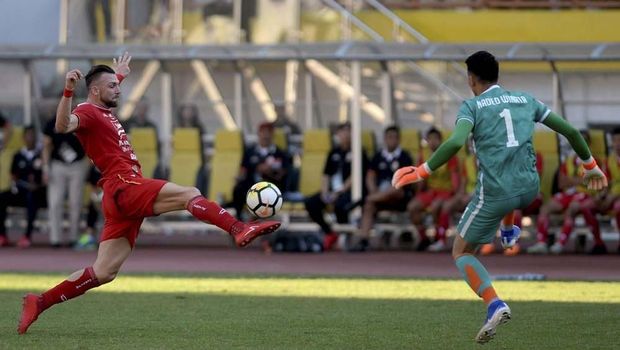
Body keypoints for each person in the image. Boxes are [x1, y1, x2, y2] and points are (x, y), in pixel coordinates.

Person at [17, 52, 280, 335]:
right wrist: (69, 88)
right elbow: (62, 126)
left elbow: (101, 92)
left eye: (117, 86)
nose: (118, 89)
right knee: (189, 193)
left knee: (104, 272)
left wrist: (118, 75)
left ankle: (39, 302)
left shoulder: (100, 109)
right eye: (112, 86)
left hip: (118, 195)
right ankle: (238, 228)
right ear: (94, 91)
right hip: (123, 184)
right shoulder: (87, 110)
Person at [391, 51, 607, 344]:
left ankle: (494, 303)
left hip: (495, 195)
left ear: (471, 79)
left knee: (461, 252)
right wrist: (590, 166)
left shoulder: (473, 106)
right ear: (497, 75)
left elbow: (455, 141)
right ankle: (507, 231)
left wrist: (422, 171)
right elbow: (569, 130)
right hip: (530, 188)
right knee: (513, 197)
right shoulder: (525, 100)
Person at [528, 131, 607, 255]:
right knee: (546, 208)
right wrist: (581, 180)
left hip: (585, 194)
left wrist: (573, 181)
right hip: (569, 194)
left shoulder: (594, 161)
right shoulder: (569, 161)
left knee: (572, 208)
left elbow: (594, 183)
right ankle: (541, 243)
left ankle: (560, 244)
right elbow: (561, 183)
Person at [304, 122, 368, 251]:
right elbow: (326, 175)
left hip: (349, 191)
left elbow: (356, 176)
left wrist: (338, 193)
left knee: (340, 205)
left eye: (348, 131)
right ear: (337, 134)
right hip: (332, 190)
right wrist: (324, 192)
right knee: (311, 203)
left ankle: (345, 235)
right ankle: (329, 232)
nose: (345, 135)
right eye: (342, 132)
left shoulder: (359, 152)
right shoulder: (333, 152)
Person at [355, 125, 413, 251]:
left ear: (399, 139)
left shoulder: (405, 156)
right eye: (389, 137)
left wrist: (374, 196)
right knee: (369, 206)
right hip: (380, 198)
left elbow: (404, 181)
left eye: (394, 137)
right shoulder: (378, 156)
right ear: (385, 139)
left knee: (395, 189)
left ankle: (370, 198)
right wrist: (373, 190)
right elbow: (370, 176)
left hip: (399, 199)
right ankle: (364, 239)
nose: (392, 140)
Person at [406, 127, 460, 251]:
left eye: (435, 139)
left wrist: (455, 194)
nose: (433, 142)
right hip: (431, 192)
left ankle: (438, 237)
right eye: (430, 139)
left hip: (445, 191)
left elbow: (455, 178)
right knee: (412, 207)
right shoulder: (423, 155)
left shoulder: (449, 155)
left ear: (441, 141)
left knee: (436, 206)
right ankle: (424, 238)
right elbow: (420, 179)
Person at [42, 114, 88, 247]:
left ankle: (73, 237)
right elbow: (46, 146)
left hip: (77, 164)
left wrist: (88, 165)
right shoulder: (52, 123)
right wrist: (45, 168)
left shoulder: (79, 121)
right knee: (55, 202)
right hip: (58, 165)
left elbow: (89, 142)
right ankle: (55, 238)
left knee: (76, 202)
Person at [231, 122, 290, 219]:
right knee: (238, 190)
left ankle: (257, 220)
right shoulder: (250, 152)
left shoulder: (279, 153)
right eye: (263, 132)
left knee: (265, 195)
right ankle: (239, 220)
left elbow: (284, 174)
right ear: (259, 134)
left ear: (272, 135)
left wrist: (269, 171)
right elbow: (243, 169)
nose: (266, 136)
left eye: (268, 132)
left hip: (270, 186)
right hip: (251, 185)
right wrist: (239, 177)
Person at [0, 126, 47, 248]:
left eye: (32, 135)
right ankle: (3, 236)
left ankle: (27, 236)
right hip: (21, 191)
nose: (30, 138)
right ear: (23, 137)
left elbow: (45, 177)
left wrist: (37, 184)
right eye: (28, 135)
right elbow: (13, 175)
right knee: (2, 197)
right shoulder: (18, 155)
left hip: (37, 193)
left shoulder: (41, 155)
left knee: (32, 198)